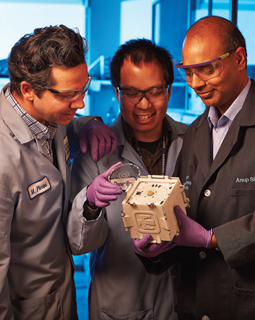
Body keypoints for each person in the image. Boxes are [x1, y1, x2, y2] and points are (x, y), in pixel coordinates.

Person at [132, 16, 255, 319]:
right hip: (200, 304)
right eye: (188, 72)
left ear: (239, 59)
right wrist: (157, 247)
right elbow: (185, 218)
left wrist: (213, 238)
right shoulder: (194, 134)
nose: (195, 84)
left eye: (207, 69)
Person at [0, 25, 116, 319]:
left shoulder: (51, 116)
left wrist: (90, 124)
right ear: (27, 90)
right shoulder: (3, 157)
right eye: (70, 95)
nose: (80, 103)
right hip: (24, 307)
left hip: (61, 297)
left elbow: (70, 125)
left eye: (83, 88)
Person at [68, 38, 188, 319]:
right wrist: (89, 204)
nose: (144, 104)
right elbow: (78, 244)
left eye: (155, 91)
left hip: (185, 298)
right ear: (116, 92)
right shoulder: (95, 153)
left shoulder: (194, 141)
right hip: (122, 302)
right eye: (132, 92)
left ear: (169, 91)